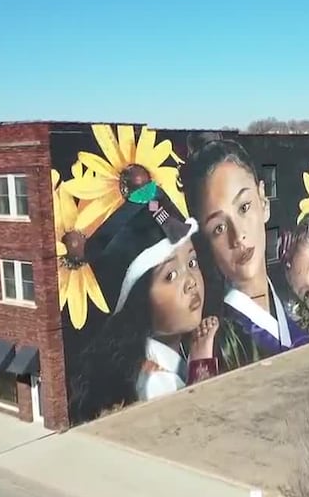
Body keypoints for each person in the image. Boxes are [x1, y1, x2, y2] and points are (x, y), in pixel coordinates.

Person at [67, 180, 218, 420]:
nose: (191, 281)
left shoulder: (157, 361)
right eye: (170, 275)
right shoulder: (155, 381)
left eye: (192, 263)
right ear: (139, 303)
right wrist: (201, 367)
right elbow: (199, 434)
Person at [181, 134, 309, 369]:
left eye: (244, 207)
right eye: (218, 227)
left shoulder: (303, 302)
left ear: (264, 201)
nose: (237, 235)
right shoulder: (215, 345)